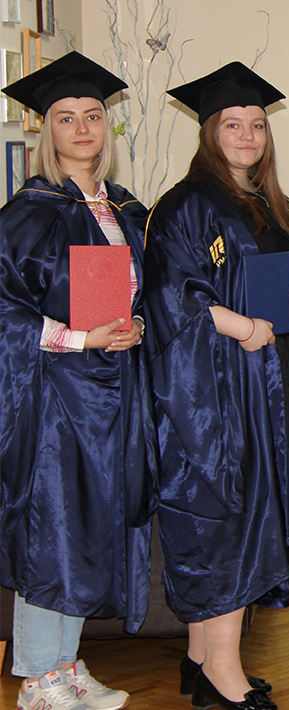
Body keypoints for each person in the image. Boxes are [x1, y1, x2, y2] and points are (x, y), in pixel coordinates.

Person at [143, 63, 289, 710]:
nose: (248, 136)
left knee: (245, 516)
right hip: (213, 390)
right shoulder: (187, 204)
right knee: (223, 521)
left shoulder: (276, 206)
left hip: (266, 385)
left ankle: (199, 662)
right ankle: (223, 674)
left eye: (258, 125)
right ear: (210, 132)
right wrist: (242, 325)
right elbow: (169, 296)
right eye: (233, 125)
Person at [0, 52, 153, 710]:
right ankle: (36, 678)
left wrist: (135, 324)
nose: (83, 128)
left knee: (88, 528)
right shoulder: (30, 212)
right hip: (56, 396)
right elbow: (5, 312)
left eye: (93, 116)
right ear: (48, 131)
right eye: (66, 118)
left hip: (113, 395)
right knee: (52, 529)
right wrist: (80, 338)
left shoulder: (125, 209)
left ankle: (65, 664)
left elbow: (141, 293)